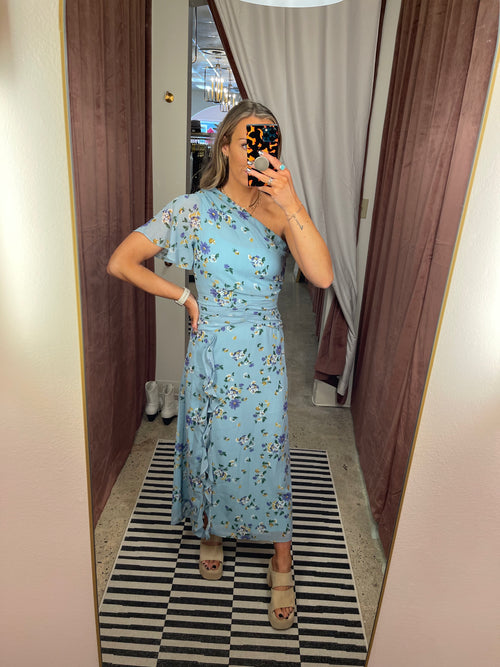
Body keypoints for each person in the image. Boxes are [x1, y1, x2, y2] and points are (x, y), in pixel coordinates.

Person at [107, 100, 333, 630]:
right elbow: (121, 261)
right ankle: (210, 527)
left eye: (269, 140)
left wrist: (292, 201)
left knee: (268, 451)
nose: (259, 149)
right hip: (211, 351)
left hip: (263, 353)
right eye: (250, 138)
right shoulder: (193, 209)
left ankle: (282, 559)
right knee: (210, 442)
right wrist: (184, 297)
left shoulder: (280, 212)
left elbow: (322, 277)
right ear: (226, 145)